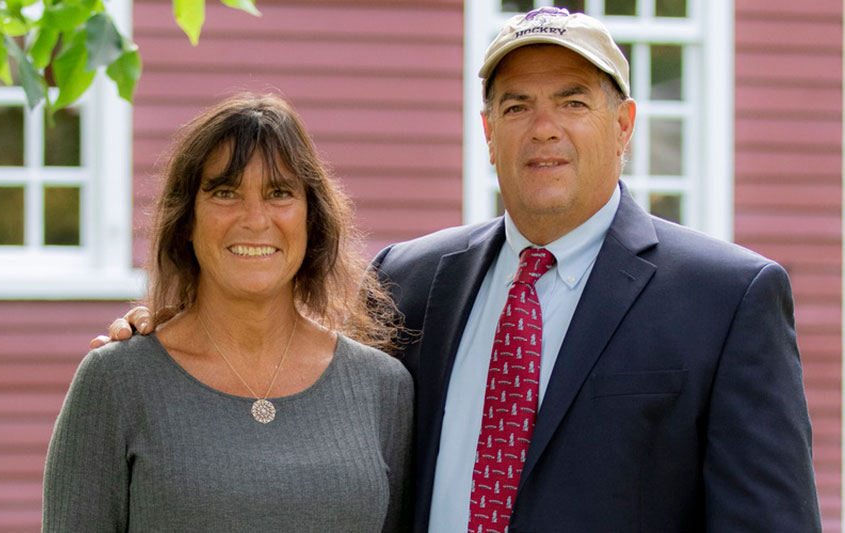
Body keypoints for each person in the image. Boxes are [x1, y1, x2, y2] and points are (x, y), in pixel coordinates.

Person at [96, 8, 822, 532]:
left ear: (623, 123)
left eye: (572, 101)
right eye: (516, 105)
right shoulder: (410, 280)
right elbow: (297, 367)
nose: (543, 127)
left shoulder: (726, 299)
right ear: (487, 131)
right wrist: (168, 335)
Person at [44, 93, 413, 532]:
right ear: (187, 220)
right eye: (225, 192)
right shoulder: (117, 381)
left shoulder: (382, 388)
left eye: (279, 193)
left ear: (311, 217)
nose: (255, 219)